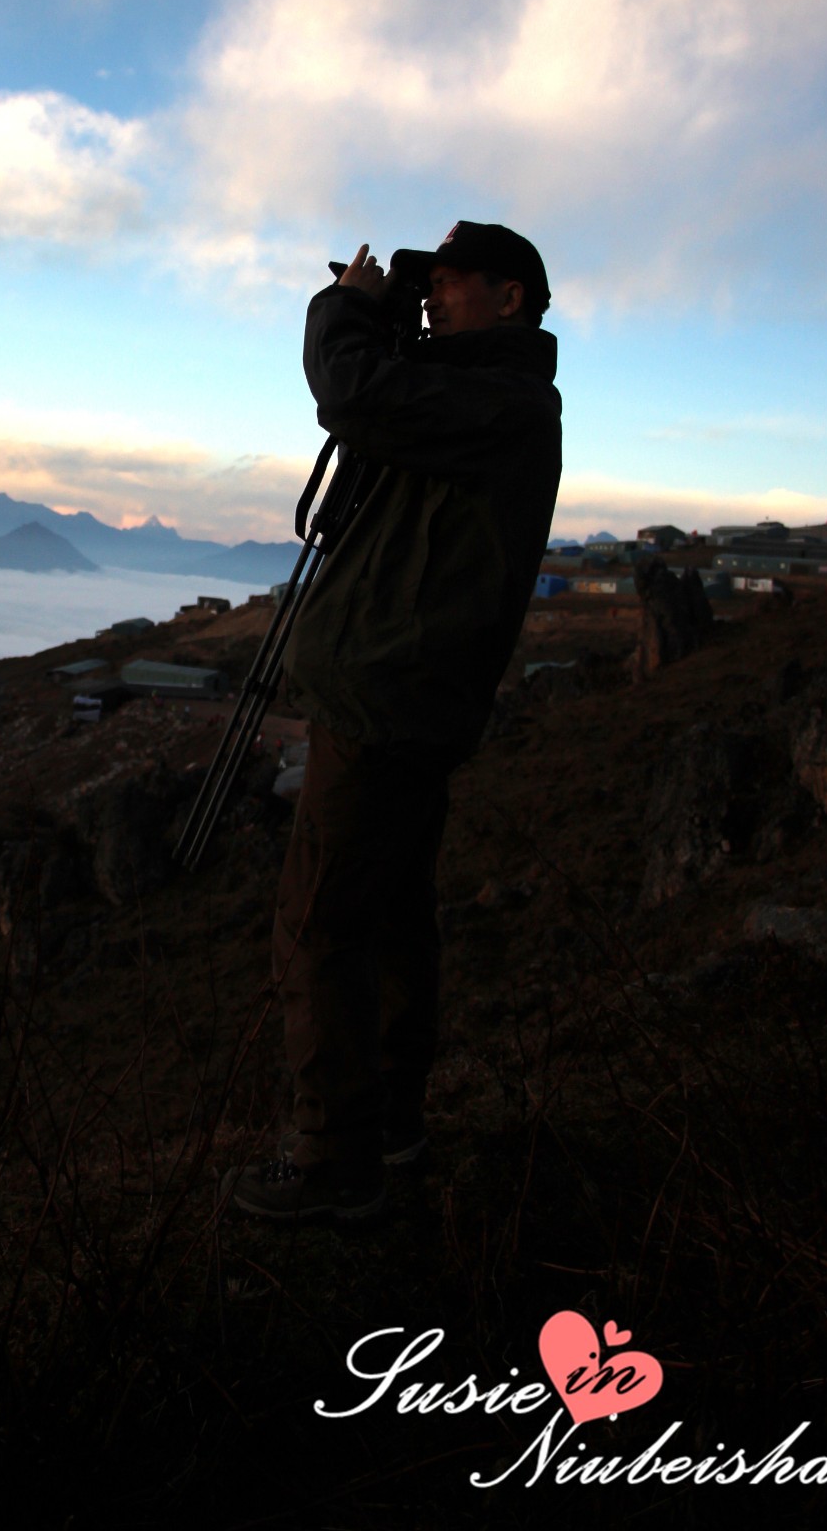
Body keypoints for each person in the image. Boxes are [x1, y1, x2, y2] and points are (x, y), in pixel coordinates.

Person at [229, 220, 562, 1221]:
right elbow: (386, 409)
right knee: (389, 917)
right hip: (406, 702)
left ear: (511, 296)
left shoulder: (499, 400)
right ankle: (393, 1127)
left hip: (386, 704)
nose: (431, 297)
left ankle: (336, 1163)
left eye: (451, 282)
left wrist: (342, 313)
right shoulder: (481, 396)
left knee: (320, 923)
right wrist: (393, 322)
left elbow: (358, 394)